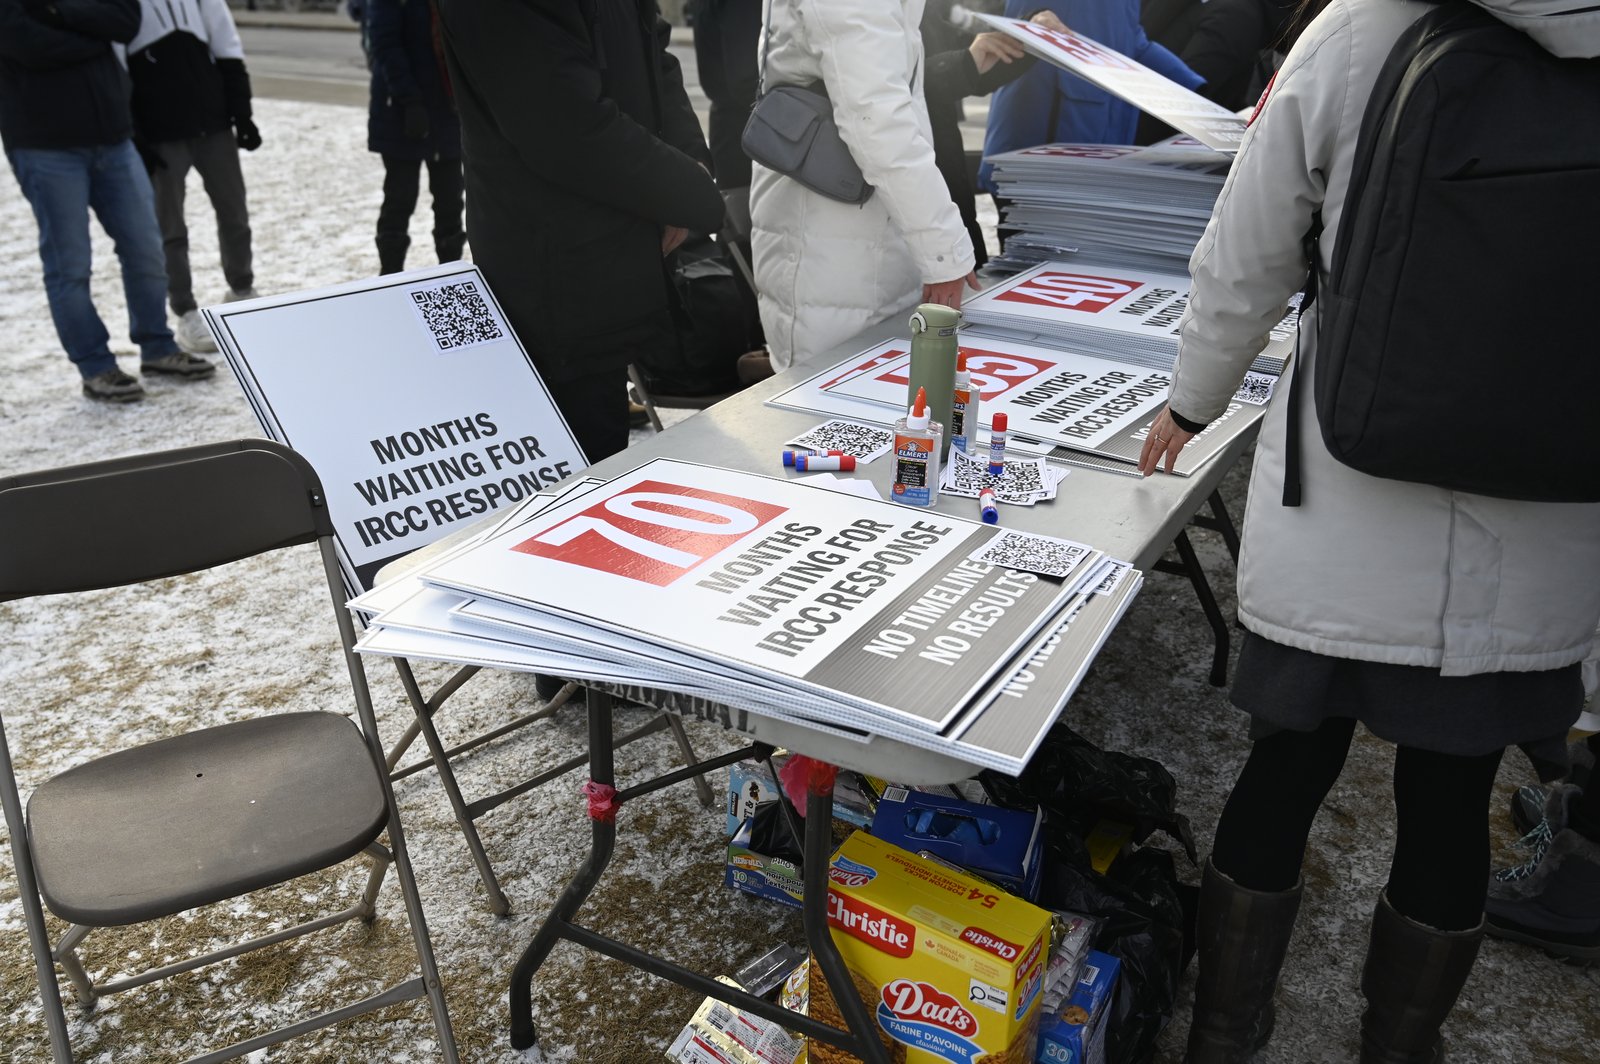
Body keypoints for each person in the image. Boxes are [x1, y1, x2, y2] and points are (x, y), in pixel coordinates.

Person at [1133, 1, 1600, 1061]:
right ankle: (1400, 1043)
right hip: (1544, 518)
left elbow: (1245, 248)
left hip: (1348, 496)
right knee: (1451, 795)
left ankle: (1224, 1028)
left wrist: (1194, 398)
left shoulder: (1360, 27)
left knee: (1287, 761)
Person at [434, 0, 723, 465]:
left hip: (610, 251)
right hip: (554, 270)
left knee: (603, 447)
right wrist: (685, 193)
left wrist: (690, 164)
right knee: (573, 472)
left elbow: (655, 57)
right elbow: (564, 126)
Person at [1, 0, 214, 403]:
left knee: (147, 250)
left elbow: (127, 21)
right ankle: (95, 366)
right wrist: (95, 34)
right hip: (44, 145)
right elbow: (26, 45)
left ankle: (158, 348)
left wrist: (58, 12)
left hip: (114, 137)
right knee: (70, 265)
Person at [750, 0, 979, 373]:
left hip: (848, 227)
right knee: (829, 396)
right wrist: (943, 250)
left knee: (856, 389)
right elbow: (876, 119)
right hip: (832, 236)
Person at [125, 0, 260, 355]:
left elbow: (227, 47)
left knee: (235, 213)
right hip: (161, 135)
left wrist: (241, 113)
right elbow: (118, 69)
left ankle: (242, 289)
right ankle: (184, 309)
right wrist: (137, 135)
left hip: (213, 125)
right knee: (169, 227)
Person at [977, 0, 1203, 193]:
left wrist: (1202, 96)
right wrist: (1027, 20)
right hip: (1042, 143)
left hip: (1098, 144)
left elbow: (1131, 41)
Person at [364, 0, 465, 275]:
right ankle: (390, 277)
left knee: (451, 201)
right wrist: (409, 100)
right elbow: (385, 45)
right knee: (399, 199)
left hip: (447, 111)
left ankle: (451, 275)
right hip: (401, 112)